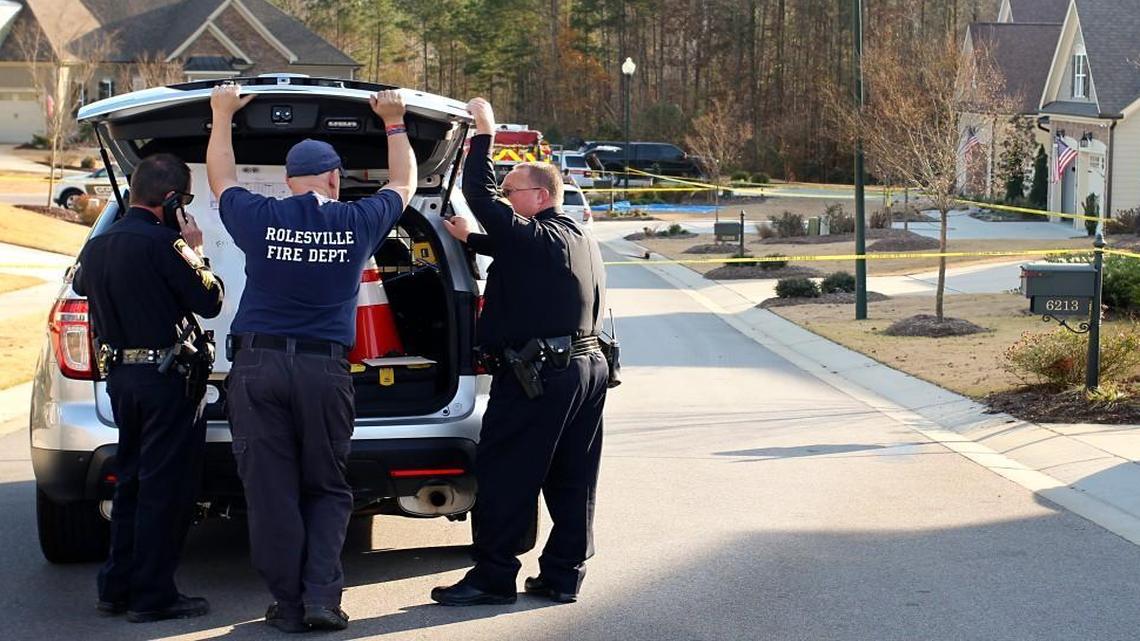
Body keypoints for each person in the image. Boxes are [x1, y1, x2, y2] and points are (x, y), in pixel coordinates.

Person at [205, 83, 416, 632]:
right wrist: (393, 122)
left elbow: (220, 178)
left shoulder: (259, 218)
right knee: (326, 485)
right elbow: (404, 182)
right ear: (333, 177)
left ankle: (287, 604)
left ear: (288, 180)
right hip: (324, 371)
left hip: (257, 367)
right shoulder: (356, 222)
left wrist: (222, 114)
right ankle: (322, 598)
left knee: (271, 491)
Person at [431, 97, 609, 606]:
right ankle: (562, 574)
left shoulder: (533, 235)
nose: (504, 199)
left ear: (540, 194)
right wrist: (476, 240)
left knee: (507, 472)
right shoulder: (575, 235)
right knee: (573, 476)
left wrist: (484, 134)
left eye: (512, 192)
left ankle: (492, 577)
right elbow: (528, 257)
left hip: (542, 375)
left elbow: (476, 192)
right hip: (586, 370)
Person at [74, 153, 224, 623]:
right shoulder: (169, 245)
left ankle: (115, 587)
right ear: (174, 200)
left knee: (132, 482)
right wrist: (195, 250)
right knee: (165, 488)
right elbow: (211, 300)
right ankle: (153, 596)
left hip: (121, 379)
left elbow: (81, 284)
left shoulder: (96, 247)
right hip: (167, 383)